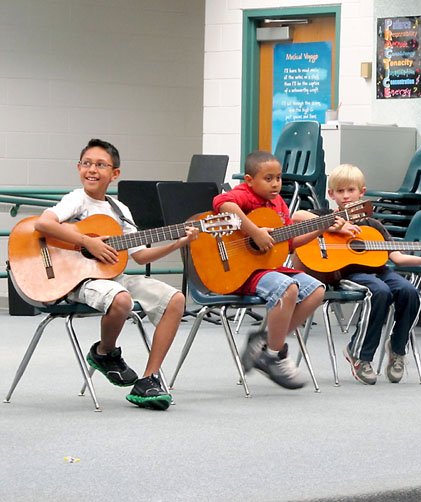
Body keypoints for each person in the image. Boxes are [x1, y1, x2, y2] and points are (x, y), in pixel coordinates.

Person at [34, 138, 199, 409]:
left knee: (175, 299)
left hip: (113, 278)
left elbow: (140, 255)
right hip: (78, 279)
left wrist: (177, 243)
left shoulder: (119, 211)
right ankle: (104, 352)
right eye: (87, 163)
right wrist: (89, 242)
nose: (92, 170)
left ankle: (149, 379)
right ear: (78, 168)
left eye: (101, 165)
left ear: (115, 174)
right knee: (120, 298)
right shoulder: (77, 199)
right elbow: (44, 223)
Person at [293, 164, 421, 385]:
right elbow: (297, 216)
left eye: (351, 190)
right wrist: (332, 225)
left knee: (409, 291)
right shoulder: (327, 215)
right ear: (331, 194)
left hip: (379, 270)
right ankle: (360, 354)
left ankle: (397, 349)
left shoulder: (373, 225)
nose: (346, 196)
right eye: (340, 191)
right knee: (379, 291)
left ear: (362, 192)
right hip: (346, 273)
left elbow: (398, 258)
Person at [212, 150, 338, 390]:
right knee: (287, 288)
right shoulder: (244, 195)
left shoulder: (278, 204)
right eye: (268, 178)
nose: (275, 184)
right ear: (249, 180)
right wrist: (255, 232)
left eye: (278, 178)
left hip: (271, 267)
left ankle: (266, 344)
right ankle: (274, 353)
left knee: (316, 290)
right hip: (244, 270)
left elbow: (289, 243)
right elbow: (222, 203)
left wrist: (321, 228)